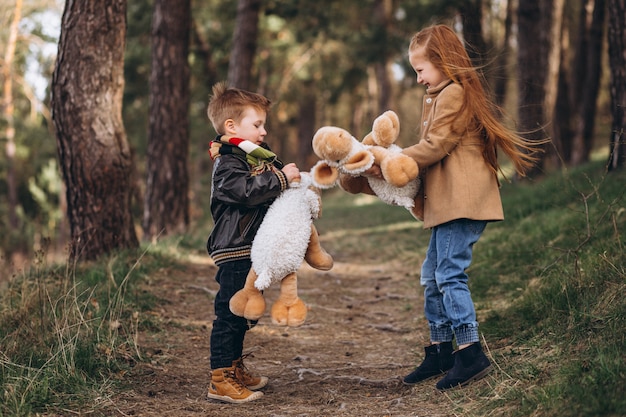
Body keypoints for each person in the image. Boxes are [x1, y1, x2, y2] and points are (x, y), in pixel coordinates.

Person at [393, 25, 543, 390]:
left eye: (421, 70)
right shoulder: (437, 94)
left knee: (448, 275)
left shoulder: (454, 93)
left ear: (444, 63)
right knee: (431, 277)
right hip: (446, 202)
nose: (417, 79)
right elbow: (430, 147)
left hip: (463, 202)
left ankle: (469, 351)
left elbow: (435, 146)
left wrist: (391, 160)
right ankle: (442, 350)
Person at [205, 82, 301, 403]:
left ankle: (233, 366)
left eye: (264, 124)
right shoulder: (229, 162)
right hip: (234, 248)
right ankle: (220, 378)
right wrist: (280, 179)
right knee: (230, 314)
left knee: (245, 313)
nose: (264, 131)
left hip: (252, 247)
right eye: (257, 124)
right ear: (231, 126)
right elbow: (243, 192)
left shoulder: (251, 157)